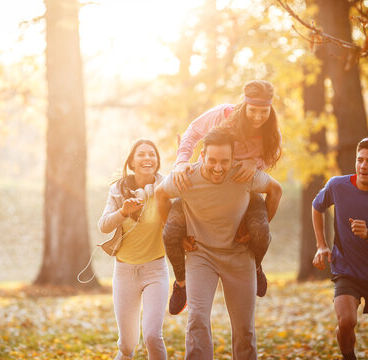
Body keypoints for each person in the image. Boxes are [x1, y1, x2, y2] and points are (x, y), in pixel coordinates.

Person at [155, 127, 282, 359]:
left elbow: (275, 190)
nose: (218, 167)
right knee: (197, 321)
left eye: (224, 161)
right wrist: (178, 233)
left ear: (233, 159)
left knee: (244, 329)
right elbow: (160, 195)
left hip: (240, 256)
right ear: (202, 156)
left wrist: (254, 232)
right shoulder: (186, 177)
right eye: (212, 160)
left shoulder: (243, 175)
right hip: (201, 257)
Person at [165, 79, 282, 314]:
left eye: (264, 111)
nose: (259, 116)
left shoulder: (270, 131)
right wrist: (181, 162)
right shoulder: (223, 115)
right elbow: (192, 133)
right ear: (244, 106)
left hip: (241, 189)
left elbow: (270, 157)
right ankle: (181, 283)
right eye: (253, 111)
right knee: (170, 232)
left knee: (260, 232)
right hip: (205, 184)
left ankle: (255, 267)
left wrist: (254, 163)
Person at [312, 137, 368, 360]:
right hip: (347, 271)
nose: (363, 166)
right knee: (346, 322)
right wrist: (321, 245)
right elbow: (317, 207)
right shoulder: (337, 186)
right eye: (360, 160)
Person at [97, 139, 169, 360]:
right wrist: (123, 212)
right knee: (127, 345)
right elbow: (103, 226)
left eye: (152, 154)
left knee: (152, 337)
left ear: (157, 161)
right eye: (141, 154)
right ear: (131, 161)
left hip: (156, 270)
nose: (147, 158)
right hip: (125, 272)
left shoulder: (166, 187)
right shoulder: (118, 190)